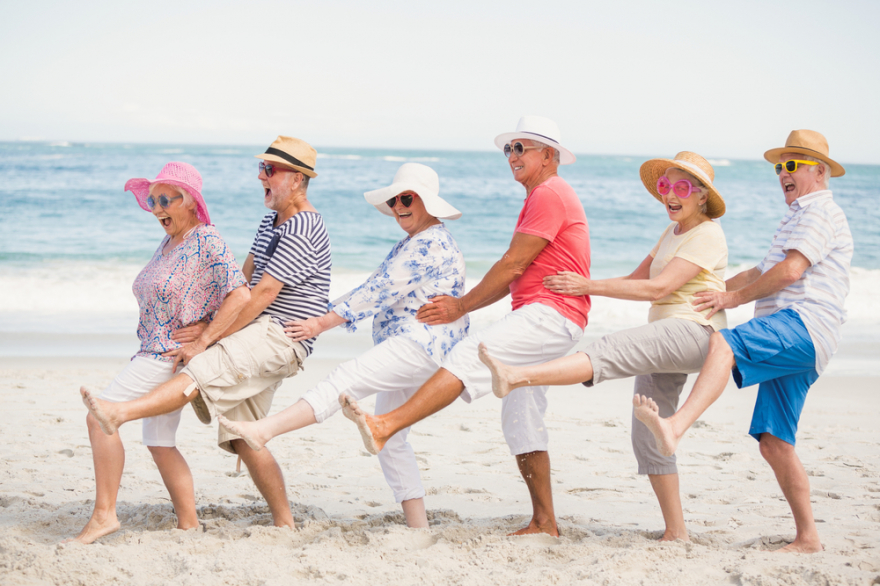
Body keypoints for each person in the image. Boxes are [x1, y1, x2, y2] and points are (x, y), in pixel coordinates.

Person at [341, 116, 590, 536]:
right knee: (521, 414)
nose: (512, 156)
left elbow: (512, 263)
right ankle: (545, 522)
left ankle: (387, 424)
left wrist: (460, 306)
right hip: (549, 314)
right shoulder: (542, 195)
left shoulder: (550, 193)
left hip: (551, 313)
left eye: (521, 148)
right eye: (508, 149)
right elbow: (515, 269)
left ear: (549, 155)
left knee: (469, 353)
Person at [81, 136, 331, 530]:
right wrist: (212, 322)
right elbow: (244, 278)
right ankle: (285, 525)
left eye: (270, 170)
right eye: (260, 169)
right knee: (243, 436)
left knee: (196, 368)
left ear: (298, 180)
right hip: (253, 331)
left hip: (279, 334)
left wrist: (205, 338)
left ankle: (119, 412)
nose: (261, 176)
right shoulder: (271, 222)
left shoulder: (304, 225)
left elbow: (263, 293)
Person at [478, 152, 727, 542]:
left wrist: (585, 285)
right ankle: (677, 532)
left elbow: (659, 289)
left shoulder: (708, 233)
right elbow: (634, 281)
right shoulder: (671, 234)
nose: (670, 195)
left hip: (693, 333)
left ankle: (517, 375)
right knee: (648, 432)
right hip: (666, 339)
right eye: (665, 186)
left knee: (610, 350)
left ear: (701, 197)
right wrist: (581, 290)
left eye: (681, 187)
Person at [634, 130, 852, 553]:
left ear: (819, 172)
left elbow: (789, 273)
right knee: (774, 442)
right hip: (802, 339)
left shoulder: (819, 212)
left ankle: (675, 428)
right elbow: (758, 274)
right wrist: (706, 292)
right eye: (779, 166)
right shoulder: (796, 216)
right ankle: (808, 538)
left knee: (723, 343)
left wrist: (729, 300)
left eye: (793, 165)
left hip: (801, 324)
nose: (782, 174)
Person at [218, 163, 467, 528]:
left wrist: (320, 322)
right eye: (395, 198)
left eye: (407, 198)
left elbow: (377, 292)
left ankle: (264, 430)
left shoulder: (429, 244)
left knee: (343, 379)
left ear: (428, 202)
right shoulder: (422, 240)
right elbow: (380, 288)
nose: (399, 205)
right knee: (392, 440)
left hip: (417, 345)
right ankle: (419, 528)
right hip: (426, 349)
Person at [71, 162, 251, 544]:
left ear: (190, 202)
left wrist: (204, 338)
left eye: (166, 199)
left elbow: (239, 293)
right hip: (154, 350)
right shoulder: (171, 242)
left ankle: (104, 515)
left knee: (99, 418)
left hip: (166, 356)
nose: (156, 208)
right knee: (159, 442)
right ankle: (189, 525)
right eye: (152, 200)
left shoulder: (207, 239)